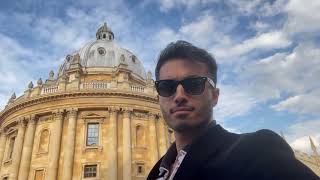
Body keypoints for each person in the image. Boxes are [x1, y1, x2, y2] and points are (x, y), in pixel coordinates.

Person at [147, 40, 319, 180]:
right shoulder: (156, 172)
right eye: (167, 87)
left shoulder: (257, 151)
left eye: (193, 84)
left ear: (214, 96)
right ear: (158, 98)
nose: (179, 95)